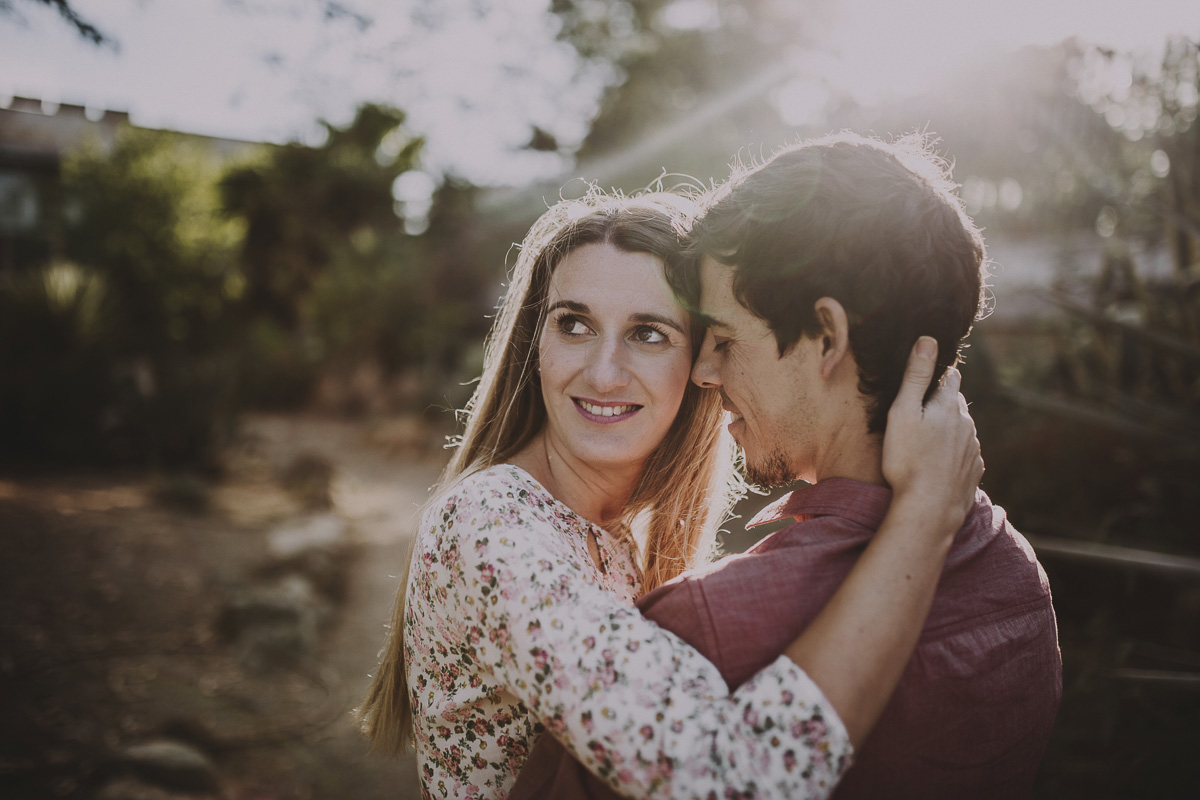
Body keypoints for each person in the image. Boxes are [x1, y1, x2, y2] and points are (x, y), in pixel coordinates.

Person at [358, 187, 983, 799]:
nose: (602, 372)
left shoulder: (619, 537)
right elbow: (724, 779)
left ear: (703, 363)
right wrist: (925, 519)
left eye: (648, 333)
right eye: (573, 324)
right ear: (535, 343)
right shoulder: (492, 521)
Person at [507, 133, 1061, 800]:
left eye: (724, 339)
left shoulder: (709, 627)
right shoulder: (1018, 576)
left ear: (826, 337)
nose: (705, 374)